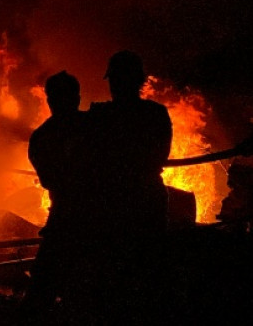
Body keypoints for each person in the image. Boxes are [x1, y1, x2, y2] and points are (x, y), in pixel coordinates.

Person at [84, 50, 173, 323]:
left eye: (116, 80)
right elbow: (161, 154)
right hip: (147, 198)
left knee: (114, 274)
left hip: (113, 202)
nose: (114, 86)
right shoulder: (156, 114)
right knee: (146, 273)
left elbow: (87, 154)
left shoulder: (100, 116)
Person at [24, 70, 90, 317]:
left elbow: (49, 179)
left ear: (49, 100)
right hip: (100, 220)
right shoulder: (96, 127)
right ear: (78, 97)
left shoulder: (41, 138)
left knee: (41, 295)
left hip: (64, 223)